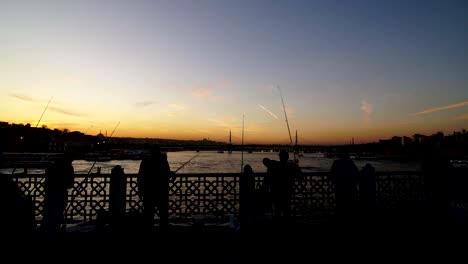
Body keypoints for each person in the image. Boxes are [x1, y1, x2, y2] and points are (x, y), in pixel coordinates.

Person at [262, 150, 302, 224]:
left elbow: (264, 160)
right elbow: (300, 178)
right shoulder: (292, 165)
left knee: (277, 211)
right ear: (287, 157)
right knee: (287, 211)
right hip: (287, 192)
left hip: (276, 192)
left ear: (280, 157)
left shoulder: (274, 164)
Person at [137, 145, 172, 230]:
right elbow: (167, 173)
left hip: (148, 190)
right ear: (159, 151)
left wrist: (140, 190)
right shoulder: (163, 160)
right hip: (161, 190)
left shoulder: (145, 161)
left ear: (151, 151)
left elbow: (140, 176)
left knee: (148, 212)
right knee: (163, 213)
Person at [41, 153, 75, 233]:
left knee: (48, 215)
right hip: (60, 194)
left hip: (49, 194)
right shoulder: (69, 167)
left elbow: (46, 182)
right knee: (57, 214)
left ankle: (46, 231)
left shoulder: (51, 167)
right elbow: (70, 184)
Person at [330, 151, 359, 222]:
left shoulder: (336, 163)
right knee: (350, 205)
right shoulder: (351, 163)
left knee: (340, 205)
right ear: (347, 156)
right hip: (350, 187)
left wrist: (334, 182)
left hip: (339, 187)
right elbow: (357, 174)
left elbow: (332, 175)